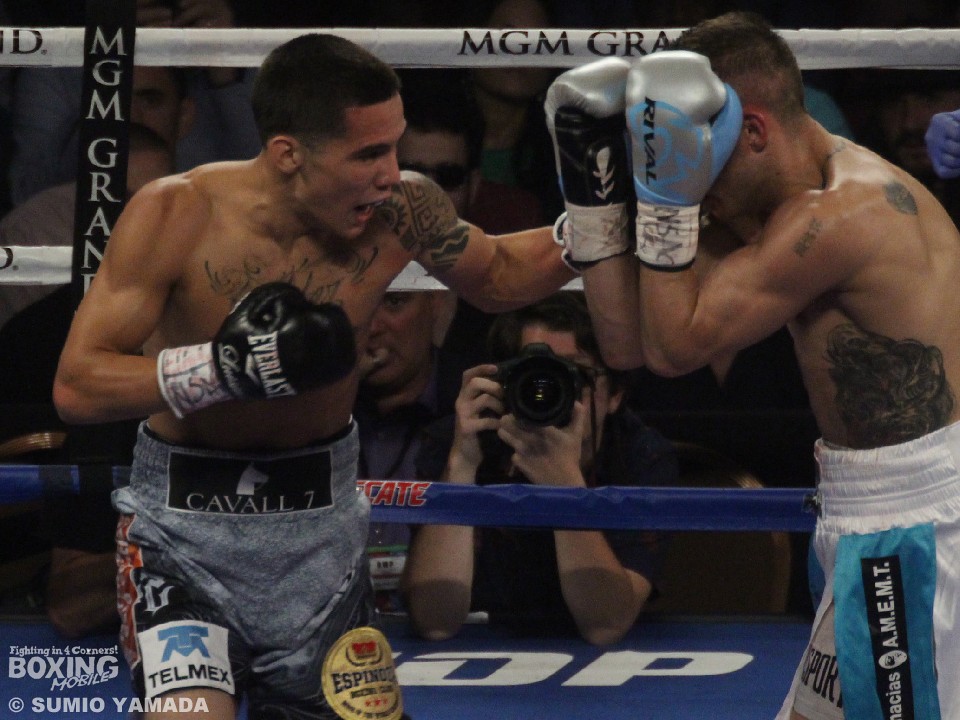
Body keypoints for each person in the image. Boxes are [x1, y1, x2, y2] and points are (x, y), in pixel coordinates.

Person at [52, 33, 572, 719]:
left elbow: (498, 275)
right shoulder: (177, 212)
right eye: (367, 154)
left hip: (322, 545)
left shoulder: (400, 210)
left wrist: (595, 230)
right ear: (287, 154)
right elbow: (79, 384)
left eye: (394, 146)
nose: (391, 173)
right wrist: (225, 369)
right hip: (181, 542)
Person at [551, 11, 960, 719]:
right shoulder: (772, 204)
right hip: (867, 509)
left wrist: (667, 198)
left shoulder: (841, 214)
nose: (697, 184)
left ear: (755, 132)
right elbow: (628, 346)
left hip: (917, 524)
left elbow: (675, 350)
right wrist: (591, 184)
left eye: (699, 158)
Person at [403, 292, 678, 646]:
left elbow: (605, 624)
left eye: (574, 374)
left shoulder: (641, 457)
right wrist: (461, 468)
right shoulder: (460, 441)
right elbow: (434, 622)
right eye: (532, 373)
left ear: (615, 395)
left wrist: (566, 490)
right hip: (482, 645)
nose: (546, 389)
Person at [0, 124, 173, 637]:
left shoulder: (248, 342)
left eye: (167, 208)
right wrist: (192, 545)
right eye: (130, 210)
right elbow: (70, 605)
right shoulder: (68, 360)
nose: (153, 227)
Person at [7, 0, 260, 207]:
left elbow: (265, 194)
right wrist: (107, 51)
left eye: (150, 100)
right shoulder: (57, 68)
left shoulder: (239, 65)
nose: (132, 113)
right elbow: (26, 198)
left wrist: (226, 66)